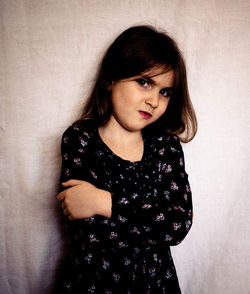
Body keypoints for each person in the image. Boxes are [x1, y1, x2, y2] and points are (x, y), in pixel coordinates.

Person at [55, 25, 197, 294]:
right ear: (110, 79)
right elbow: (87, 230)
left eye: (165, 92)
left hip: (155, 286)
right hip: (93, 284)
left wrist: (103, 201)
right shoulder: (80, 139)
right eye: (144, 82)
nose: (154, 101)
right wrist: (150, 219)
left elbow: (176, 223)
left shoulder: (164, 147)